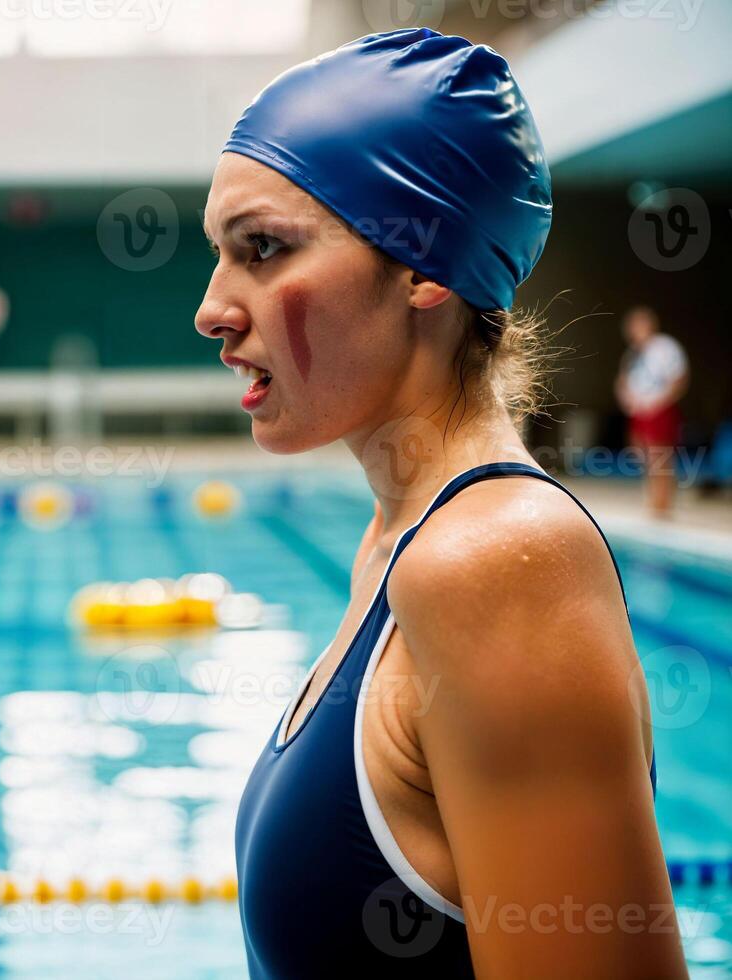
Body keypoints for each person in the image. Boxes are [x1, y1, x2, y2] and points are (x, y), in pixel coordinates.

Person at [196, 29, 685, 977]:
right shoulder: (396, 548)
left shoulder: (494, 566)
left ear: (424, 265)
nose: (213, 307)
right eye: (221, 255)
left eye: (262, 250)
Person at [615, 305, 689, 517]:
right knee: (643, 454)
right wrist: (627, 399)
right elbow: (623, 380)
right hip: (639, 410)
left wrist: (659, 402)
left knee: (660, 456)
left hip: (658, 408)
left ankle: (663, 504)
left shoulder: (665, 347)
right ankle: (655, 499)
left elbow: (679, 379)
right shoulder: (632, 354)